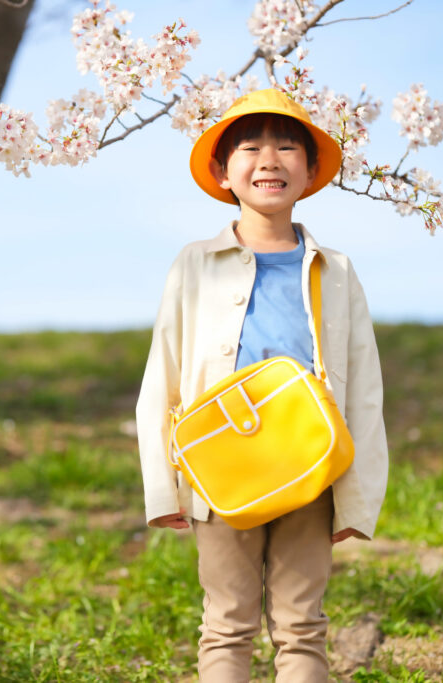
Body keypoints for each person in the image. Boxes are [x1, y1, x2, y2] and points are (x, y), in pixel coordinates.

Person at [135, 88, 389, 681]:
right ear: (224, 171)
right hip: (219, 472)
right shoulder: (194, 262)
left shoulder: (337, 269)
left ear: (312, 168)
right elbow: (162, 372)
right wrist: (161, 488)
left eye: (287, 146)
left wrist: (358, 494)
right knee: (226, 623)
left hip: (310, 468)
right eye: (250, 147)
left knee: (303, 628)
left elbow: (365, 388)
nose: (269, 159)